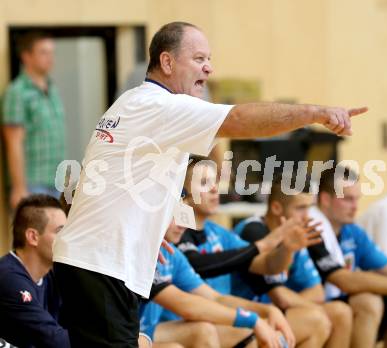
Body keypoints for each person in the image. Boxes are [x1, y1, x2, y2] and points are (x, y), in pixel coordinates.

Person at [52, 21, 367, 346]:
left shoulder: (133, 104)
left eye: (210, 59)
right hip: (101, 265)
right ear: (167, 62)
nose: (210, 68)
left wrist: (145, 227)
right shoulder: (161, 105)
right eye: (199, 58)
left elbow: (93, 186)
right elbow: (240, 120)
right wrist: (315, 113)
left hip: (94, 261)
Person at [176, 158, 328, 347]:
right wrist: (264, 244)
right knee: (256, 332)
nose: (215, 189)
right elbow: (197, 263)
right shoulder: (174, 235)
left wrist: (287, 248)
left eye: (215, 182)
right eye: (204, 183)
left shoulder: (220, 233)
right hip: (189, 326)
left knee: (315, 320)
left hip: (221, 318)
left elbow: (266, 265)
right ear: (181, 193)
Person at [311, 168, 387, 348]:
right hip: (309, 306)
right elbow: (343, 280)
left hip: (338, 304)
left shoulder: (352, 232)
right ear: (325, 199)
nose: (355, 206)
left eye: (357, 199)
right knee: (368, 303)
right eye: (347, 199)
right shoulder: (312, 229)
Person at [234, 175, 352, 348]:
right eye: (300, 208)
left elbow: (317, 292)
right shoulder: (253, 232)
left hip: (274, 313)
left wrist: (304, 304)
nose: (307, 216)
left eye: (309, 208)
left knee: (341, 312)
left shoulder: (295, 231)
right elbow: (281, 297)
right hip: (247, 315)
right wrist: (312, 309)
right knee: (318, 320)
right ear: (276, 208)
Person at [140, 220, 293, 348]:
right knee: (197, 334)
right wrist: (253, 319)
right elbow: (186, 305)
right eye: (173, 214)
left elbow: (215, 298)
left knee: (254, 334)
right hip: (129, 335)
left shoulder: (172, 253)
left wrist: (267, 311)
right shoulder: (138, 251)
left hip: (146, 331)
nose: (183, 224)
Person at [2, 32, 65, 208]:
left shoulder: (52, 89)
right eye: (43, 52)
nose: (50, 58)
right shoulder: (17, 92)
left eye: (52, 52)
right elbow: (13, 142)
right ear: (26, 56)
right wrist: (19, 187)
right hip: (32, 184)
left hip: (56, 181)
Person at [0, 194, 69, 347]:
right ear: (33, 237)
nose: (67, 238)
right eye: (60, 231)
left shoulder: (51, 275)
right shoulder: (8, 278)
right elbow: (56, 341)